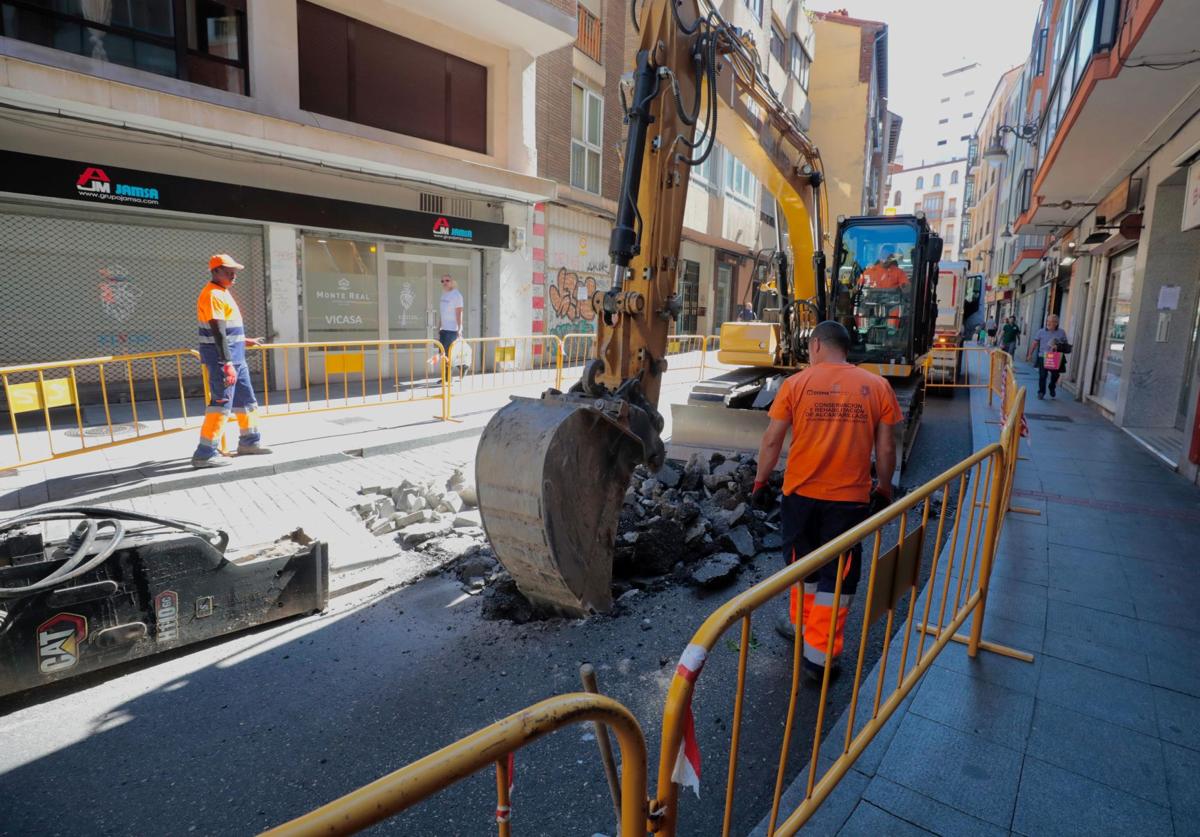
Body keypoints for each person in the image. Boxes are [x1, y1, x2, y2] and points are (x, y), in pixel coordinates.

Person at [751, 321, 902, 683]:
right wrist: (883, 488)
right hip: (847, 503)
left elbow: (772, 441)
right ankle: (819, 660)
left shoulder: (796, 384)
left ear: (816, 345)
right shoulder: (877, 386)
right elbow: (886, 447)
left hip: (799, 498)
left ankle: (803, 631)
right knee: (838, 579)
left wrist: (759, 482)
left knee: (802, 570)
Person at [192, 254, 269, 468]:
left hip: (236, 358)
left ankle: (249, 442)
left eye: (234, 270)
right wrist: (226, 363)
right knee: (221, 404)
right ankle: (204, 453)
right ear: (216, 271)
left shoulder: (222, 292)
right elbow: (218, 332)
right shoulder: (213, 294)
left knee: (246, 401)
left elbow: (227, 330)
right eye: (228, 270)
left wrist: (244, 340)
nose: (233, 274)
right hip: (223, 361)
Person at [1027, 313, 1070, 400]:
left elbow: (1065, 344)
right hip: (1043, 356)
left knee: (1055, 375)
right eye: (1048, 321)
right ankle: (1041, 392)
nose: (1049, 323)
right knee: (1042, 376)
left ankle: (1052, 386)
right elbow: (1035, 343)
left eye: (1052, 321)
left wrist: (1058, 346)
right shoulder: (1041, 332)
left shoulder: (1061, 332)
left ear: (1056, 323)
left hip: (1055, 357)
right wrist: (1030, 354)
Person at [438, 274, 464, 355]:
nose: (444, 282)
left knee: (449, 355)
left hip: (452, 331)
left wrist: (460, 328)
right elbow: (442, 312)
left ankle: (451, 368)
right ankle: (444, 368)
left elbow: (459, 312)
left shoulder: (456, 295)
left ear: (452, 282)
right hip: (443, 330)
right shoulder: (444, 294)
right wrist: (439, 327)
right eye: (442, 281)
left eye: (447, 280)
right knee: (442, 354)